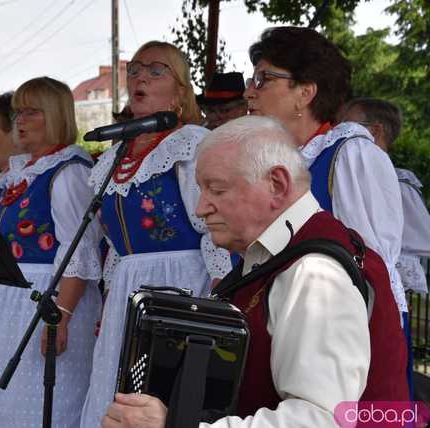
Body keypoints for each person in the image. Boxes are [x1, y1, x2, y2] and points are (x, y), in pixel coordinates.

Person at [101, 115, 408, 428]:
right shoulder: (277, 257)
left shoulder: (314, 273)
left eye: (216, 190)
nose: (200, 207)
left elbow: (319, 419)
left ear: (276, 184)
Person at [80, 40, 232, 427]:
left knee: (162, 395)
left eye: (155, 70)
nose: (140, 77)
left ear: (180, 92)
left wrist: (216, 303)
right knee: (117, 394)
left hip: (179, 286)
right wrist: (112, 297)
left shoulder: (191, 145)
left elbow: (214, 232)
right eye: (135, 70)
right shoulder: (115, 156)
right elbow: (116, 246)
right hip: (129, 295)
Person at [243, 26, 407, 320]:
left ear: (305, 93)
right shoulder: (269, 161)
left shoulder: (350, 154)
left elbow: (370, 267)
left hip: (338, 333)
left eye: (263, 79)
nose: (248, 92)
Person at [0, 76, 102, 427]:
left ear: (56, 115)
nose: (20, 120)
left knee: (42, 405)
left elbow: (79, 250)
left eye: (32, 111)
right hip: (11, 303)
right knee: (6, 405)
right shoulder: (25, 173)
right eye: (18, 112)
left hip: (48, 299)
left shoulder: (69, 171)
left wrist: (61, 315)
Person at [341, 97, 430, 294]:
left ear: (375, 130)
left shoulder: (399, 185)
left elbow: (421, 241)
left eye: (348, 124)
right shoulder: (348, 174)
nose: (339, 130)